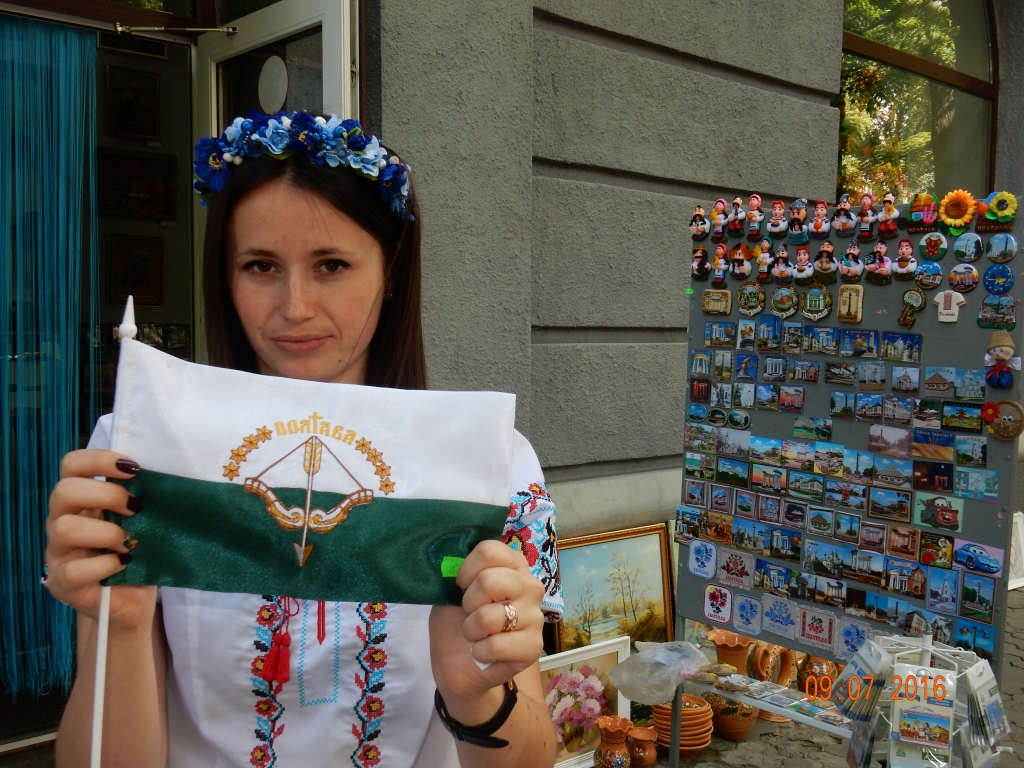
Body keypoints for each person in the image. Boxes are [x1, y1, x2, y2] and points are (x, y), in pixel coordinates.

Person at [45, 112, 562, 768]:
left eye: (331, 265)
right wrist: (119, 627)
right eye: (260, 265)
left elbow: (533, 757)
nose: (294, 306)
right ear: (226, 277)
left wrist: (476, 697)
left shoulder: (487, 466)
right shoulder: (141, 454)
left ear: (391, 271)